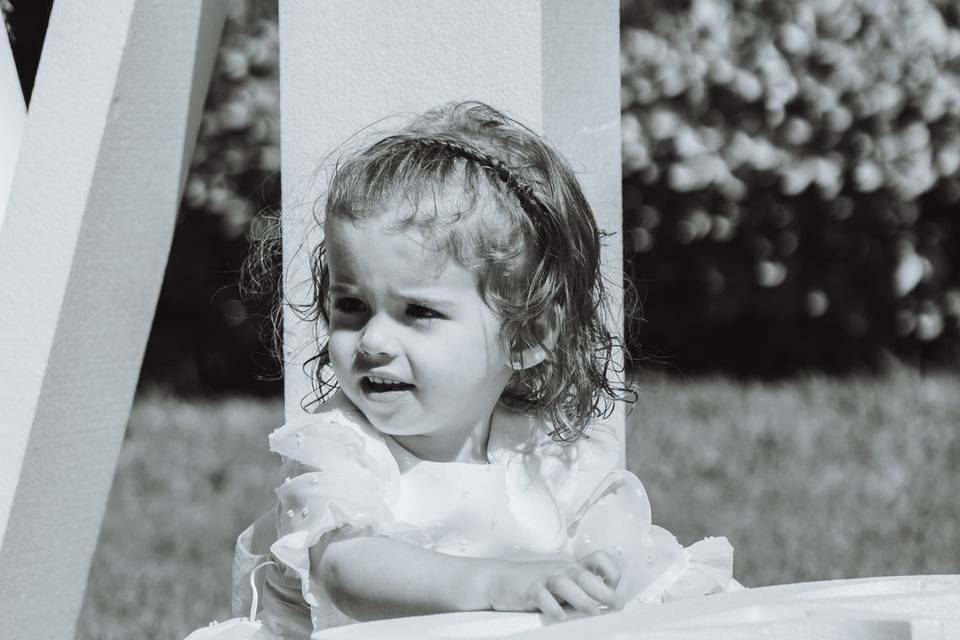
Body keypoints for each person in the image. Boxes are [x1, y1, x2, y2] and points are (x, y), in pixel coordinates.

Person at [186, 101, 735, 640]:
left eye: (417, 312)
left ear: (526, 336)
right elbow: (348, 573)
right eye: (350, 305)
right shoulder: (341, 449)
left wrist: (597, 575)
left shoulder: (543, 455)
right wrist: (497, 583)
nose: (374, 340)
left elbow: (615, 535)